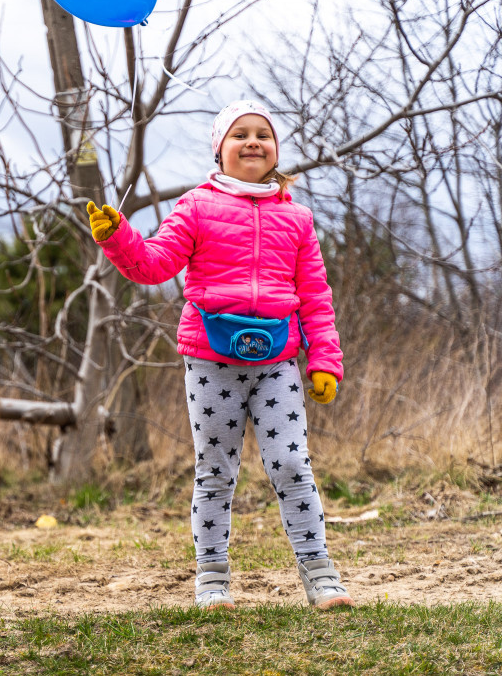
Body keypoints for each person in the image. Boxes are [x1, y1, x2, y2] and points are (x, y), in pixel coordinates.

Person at [86, 100, 354, 610]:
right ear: (220, 149)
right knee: (215, 471)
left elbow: (315, 296)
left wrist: (324, 360)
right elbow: (153, 265)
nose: (253, 141)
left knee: (293, 466)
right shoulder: (196, 206)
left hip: (278, 363)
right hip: (211, 363)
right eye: (240, 135)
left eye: (263, 134)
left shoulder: (296, 218)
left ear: (276, 149)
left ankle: (320, 575)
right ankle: (212, 580)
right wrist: (119, 238)